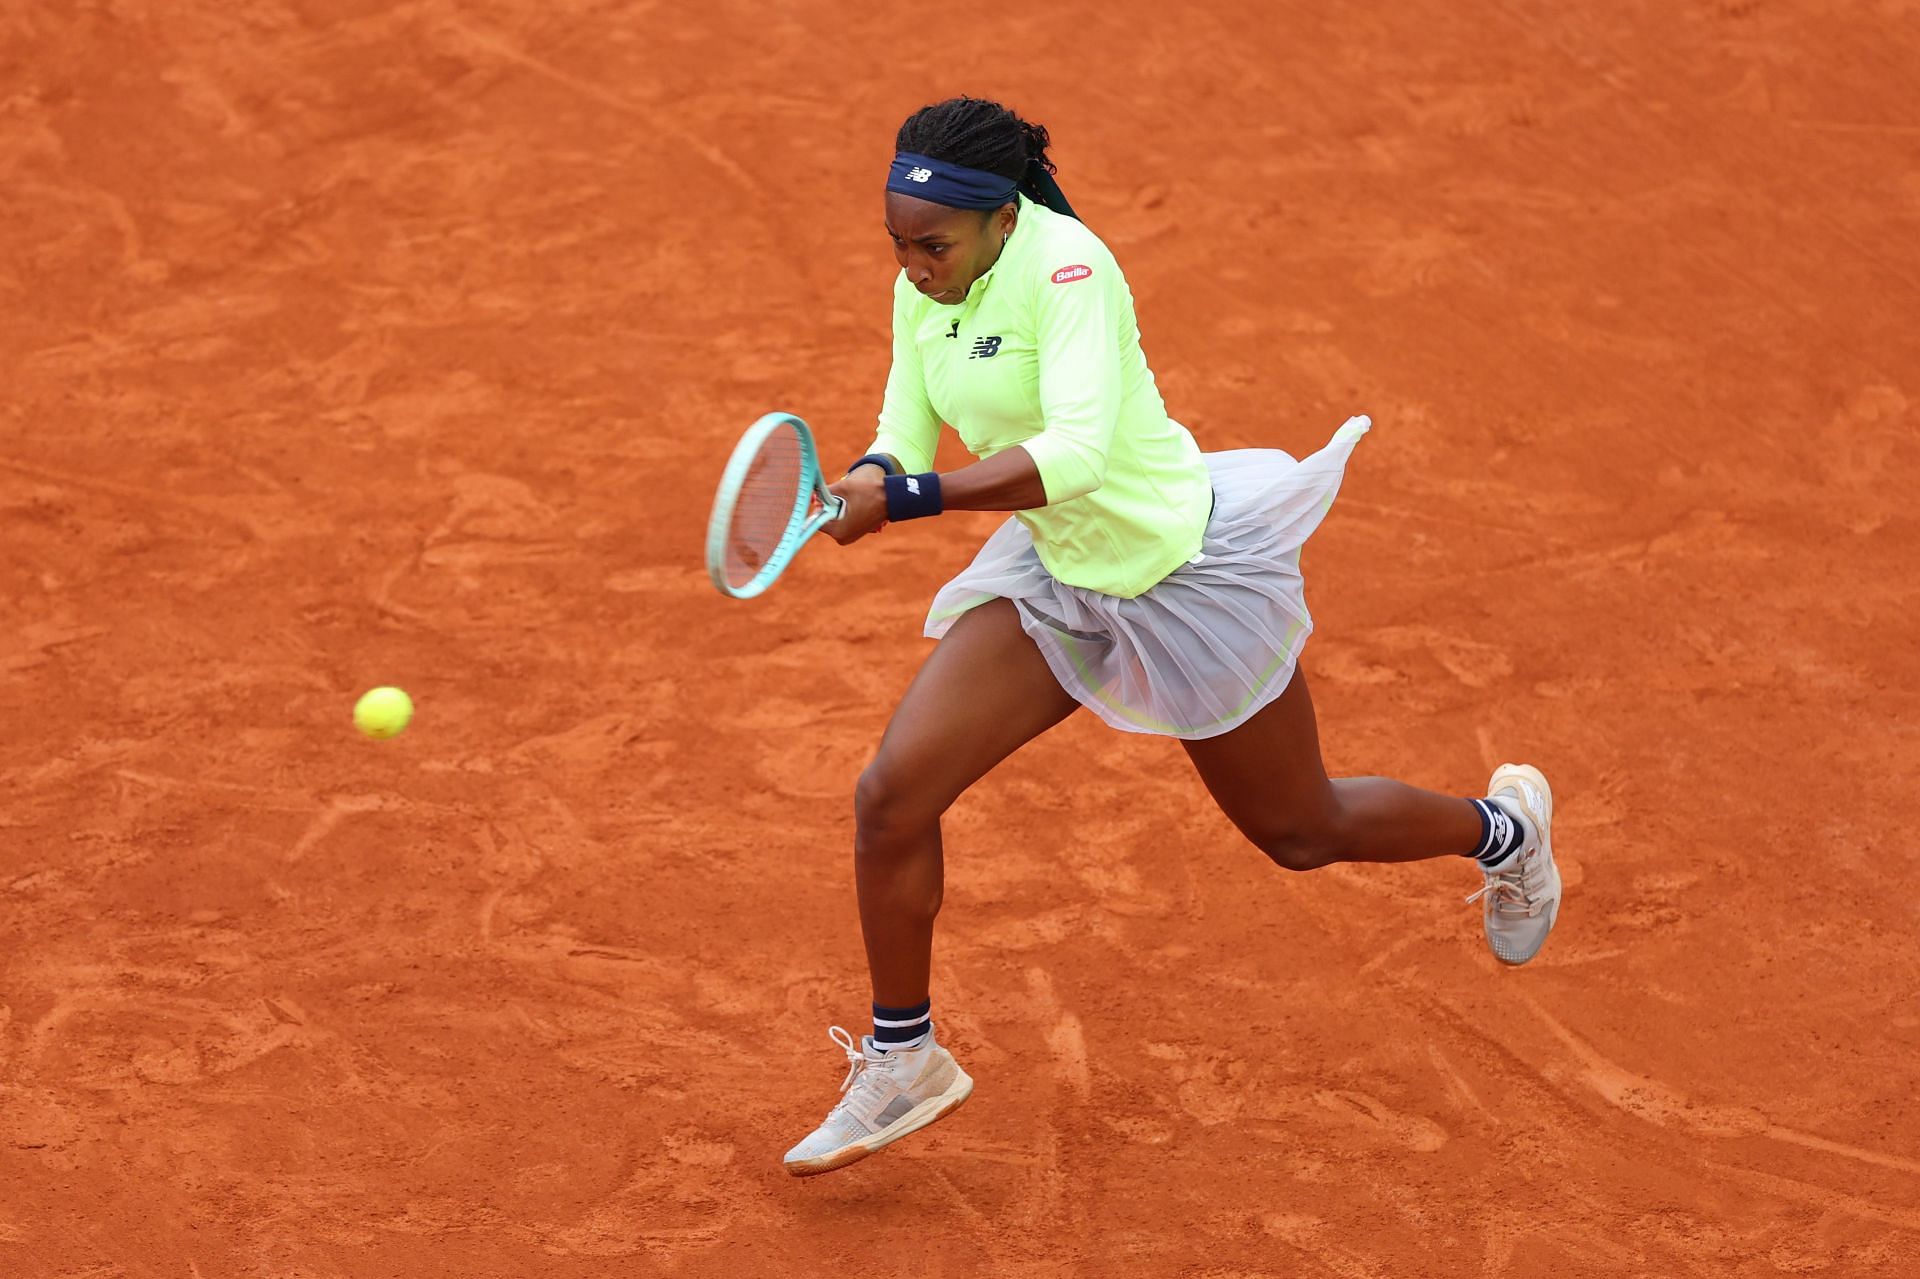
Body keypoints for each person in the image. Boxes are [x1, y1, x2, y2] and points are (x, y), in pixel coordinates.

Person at [781, 97, 1562, 1177]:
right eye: (898, 245)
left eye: (933, 246)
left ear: (1001, 220)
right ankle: (904, 1055)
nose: (913, 266)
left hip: (1184, 578)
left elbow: (1076, 459)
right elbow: (902, 428)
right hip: (1057, 575)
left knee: (1302, 827)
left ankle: (1504, 832)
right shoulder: (928, 284)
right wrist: (870, 479)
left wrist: (912, 501)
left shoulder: (1072, 273)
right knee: (892, 795)